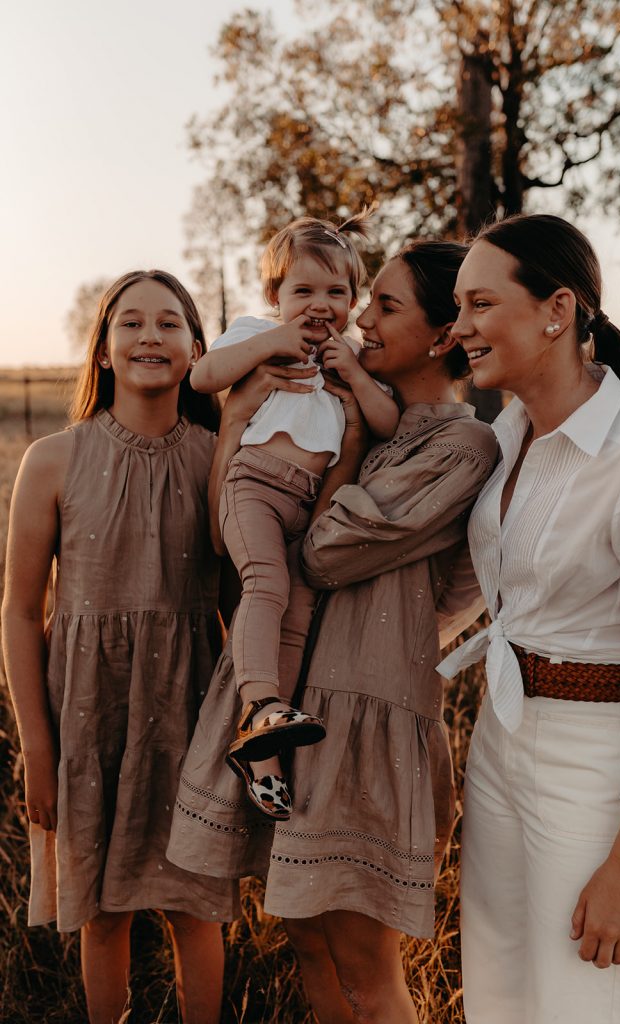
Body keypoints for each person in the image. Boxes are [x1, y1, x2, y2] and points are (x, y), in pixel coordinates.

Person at [167, 239, 498, 1024]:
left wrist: (344, 449)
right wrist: (240, 421)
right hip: (303, 701)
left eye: (382, 305)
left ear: (443, 334)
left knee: (365, 964)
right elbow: (228, 533)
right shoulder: (356, 412)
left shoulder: (459, 442)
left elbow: (323, 551)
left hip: (365, 706)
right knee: (308, 940)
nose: (358, 322)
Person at [437, 213, 620, 1024]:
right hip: (500, 740)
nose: (460, 326)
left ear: (556, 309)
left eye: (478, 303)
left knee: (579, 998)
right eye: (455, 306)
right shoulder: (504, 438)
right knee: (500, 982)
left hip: (594, 765)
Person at [1, 270, 239, 1024]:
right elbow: (17, 611)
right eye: (130, 323)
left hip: (194, 714)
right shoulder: (53, 460)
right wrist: (38, 750)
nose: (149, 337)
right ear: (102, 350)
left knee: (194, 908)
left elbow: (247, 602)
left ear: (198, 350)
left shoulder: (220, 460)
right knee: (101, 912)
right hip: (87, 717)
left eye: (169, 324)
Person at [190, 214, 399, 820]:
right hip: (251, 486)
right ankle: (261, 704)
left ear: (353, 301)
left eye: (335, 292)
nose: (319, 304)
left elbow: (382, 423)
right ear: (274, 297)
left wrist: (354, 373)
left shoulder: (351, 357)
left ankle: (263, 748)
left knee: (299, 606)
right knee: (266, 584)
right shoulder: (255, 332)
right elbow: (203, 375)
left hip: (308, 504)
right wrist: (268, 343)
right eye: (302, 291)